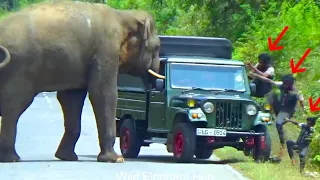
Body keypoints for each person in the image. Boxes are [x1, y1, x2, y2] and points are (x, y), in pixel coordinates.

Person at [249, 73, 306, 156]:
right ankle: (270, 115)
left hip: (288, 111)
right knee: (271, 94)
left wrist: (304, 109)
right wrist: (256, 75)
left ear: (290, 84)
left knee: (278, 124)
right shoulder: (282, 85)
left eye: (286, 84)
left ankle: (282, 144)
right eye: (284, 83)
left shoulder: (296, 92)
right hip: (280, 108)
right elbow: (268, 80)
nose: (284, 86)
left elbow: (301, 101)